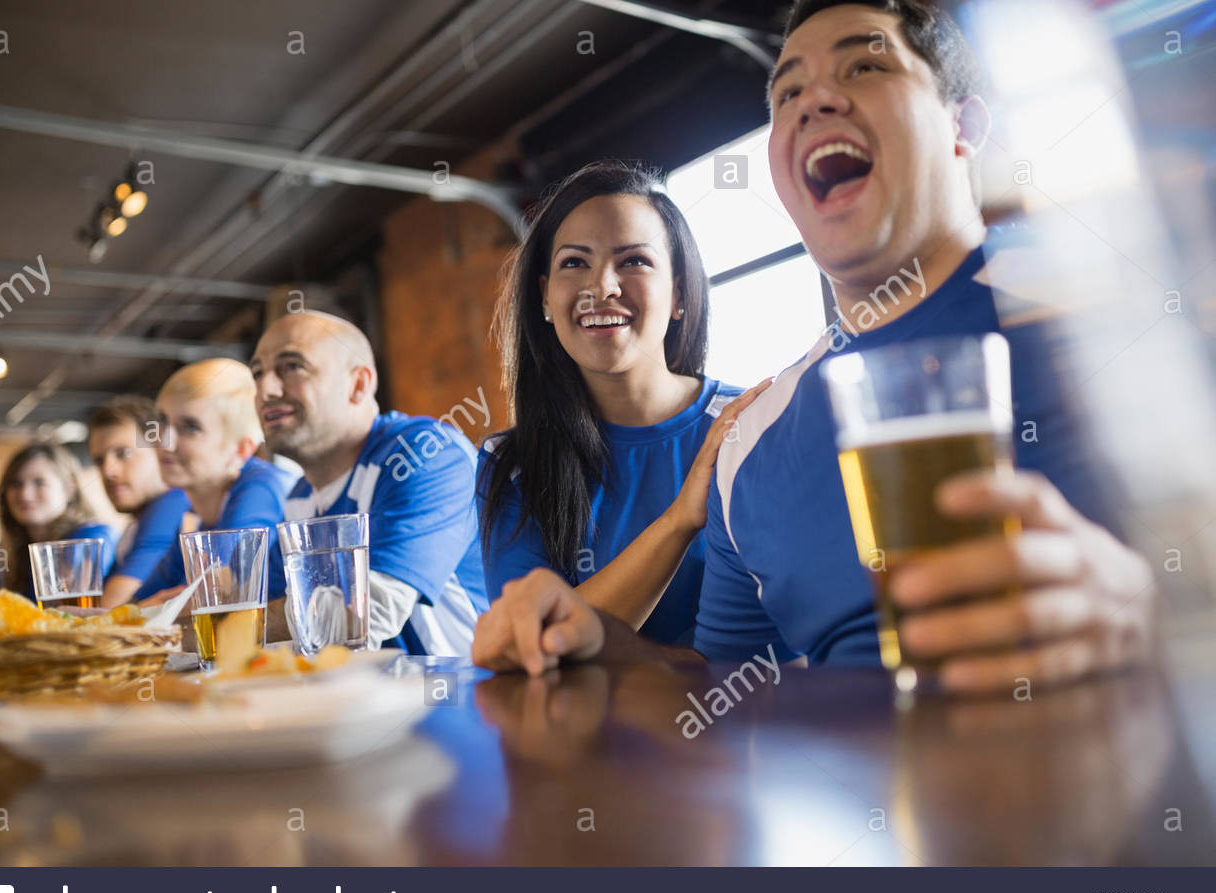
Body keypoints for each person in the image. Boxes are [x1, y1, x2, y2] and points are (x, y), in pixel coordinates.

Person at [473, 0, 1155, 694]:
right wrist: (602, 642)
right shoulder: (749, 442)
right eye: (788, 91)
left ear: (965, 125)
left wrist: (1152, 609)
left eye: (864, 65)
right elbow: (723, 686)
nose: (815, 101)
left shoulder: (1124, 311)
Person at [479, 161, 767, 647]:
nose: (602, 287)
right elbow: (537, 642)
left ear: (679, 293)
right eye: (574, 263)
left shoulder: (753, 425)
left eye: (634, 261)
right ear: (545, 298)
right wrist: (680, 521)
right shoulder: (512, 467)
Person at [250, 310, 488, 657]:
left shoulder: (425, 454)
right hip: (373, 699)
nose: (265, 389)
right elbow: (261, 604)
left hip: (466, 696)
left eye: (292, 366)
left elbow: (358, 619)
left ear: (359, 384)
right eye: (257, 373)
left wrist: (207, 631)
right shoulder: (301, 495)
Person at [134, 358, 292, 601]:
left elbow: (224, 590)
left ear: (241, 450)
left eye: (190, 427)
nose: (165, 442)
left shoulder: (261, 487)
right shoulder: (195, 516)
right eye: (163, 422)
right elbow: (144, 599)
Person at [87, 396, 191, 607]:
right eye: (99, 460)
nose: (108, 471)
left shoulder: (171, 504)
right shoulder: (137, 523)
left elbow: (109, 609)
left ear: (161, 450)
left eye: (123, 453)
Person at [0, 442, 118, 601]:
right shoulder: (9, 552)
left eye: (39, 482)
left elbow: (71, 609)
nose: (25, 494)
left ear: (69, 488)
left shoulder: (92, 537)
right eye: (16, 484)